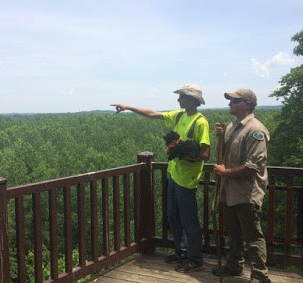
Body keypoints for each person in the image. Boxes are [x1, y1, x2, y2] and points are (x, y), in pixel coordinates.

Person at [111, 83, 210, 272]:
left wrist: (183, 154)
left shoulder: (200, 122)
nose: (178, 100)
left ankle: (195, 258)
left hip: (187, 179)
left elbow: (206, 154)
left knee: (189, 221)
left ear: (192, 100)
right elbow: (152, 114)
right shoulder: (180, 115)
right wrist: (128, 107)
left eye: (182, 97)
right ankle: (181, 252)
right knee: (173, 217)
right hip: (174, 175)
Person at [212, 89, 271, 283]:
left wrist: (224, 173)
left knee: (252, 237)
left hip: (247, 193)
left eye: (234, 101)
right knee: (234, 233)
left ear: (247, 103)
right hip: (230, 191)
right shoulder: (231, 126)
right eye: (230, 101)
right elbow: (223, 156)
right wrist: (221, 137)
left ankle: (260, 276)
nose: (230, 104)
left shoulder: (255, 130)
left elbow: (252, 167)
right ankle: (234, 266)